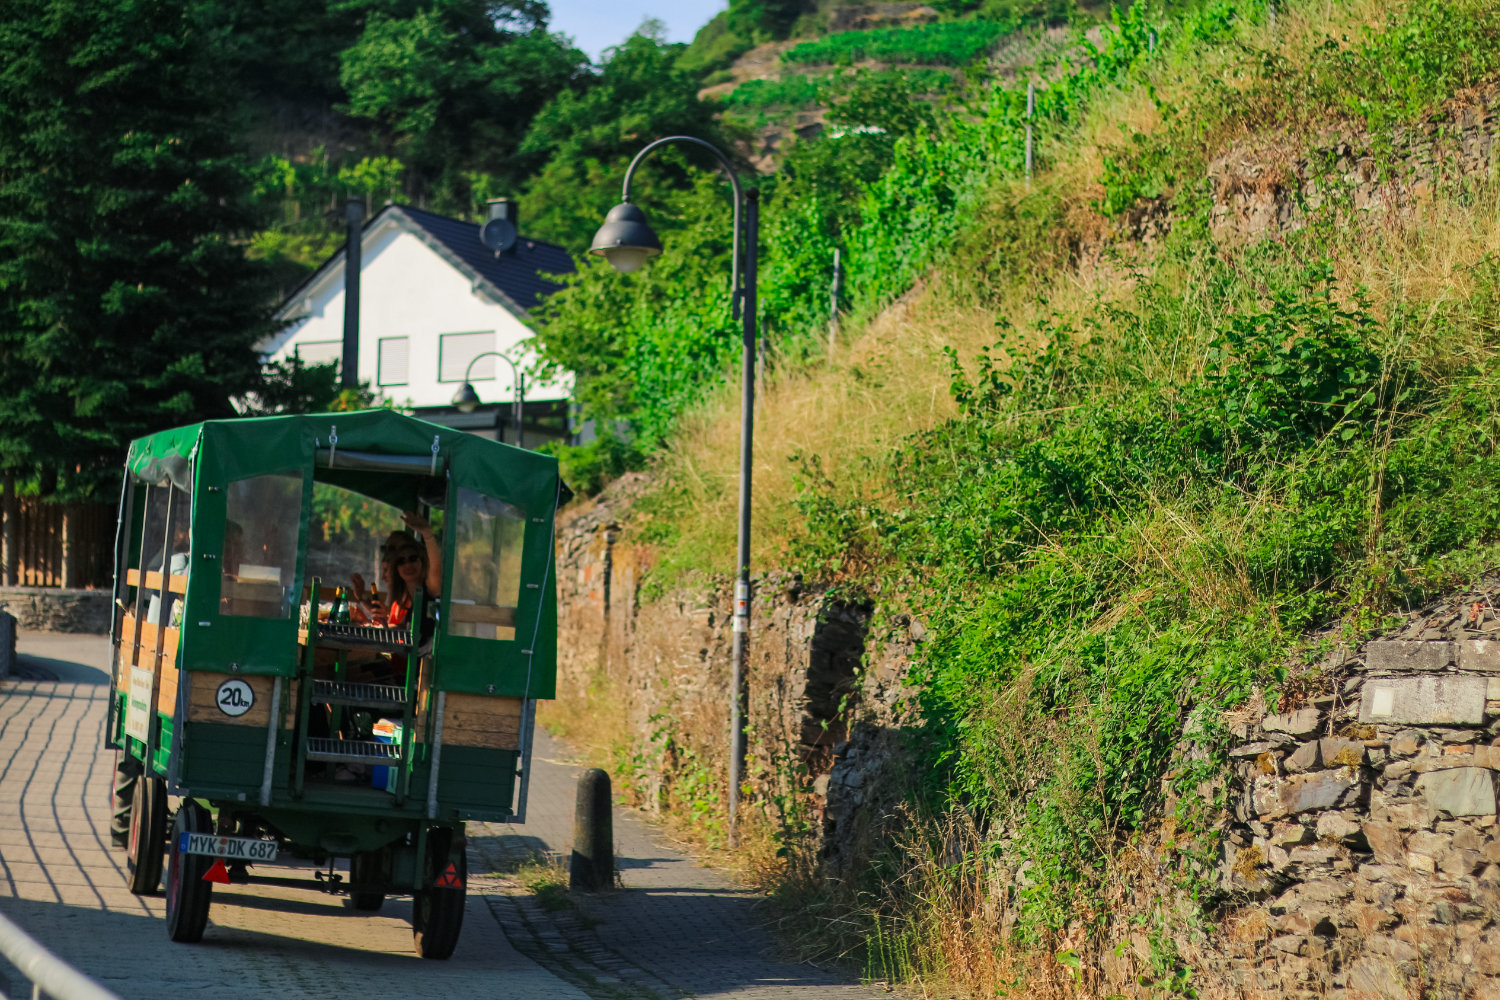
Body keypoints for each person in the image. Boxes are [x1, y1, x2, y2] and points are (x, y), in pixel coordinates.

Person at [350, 510, 441, 629]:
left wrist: (427, 534)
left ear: (422, 561)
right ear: (396, 569)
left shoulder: (430, 589)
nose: (408, 565)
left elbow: (436, 569)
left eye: (412, 558)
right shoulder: (399, 595)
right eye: (401, 561)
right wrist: (362, 598)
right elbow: (397, 626)